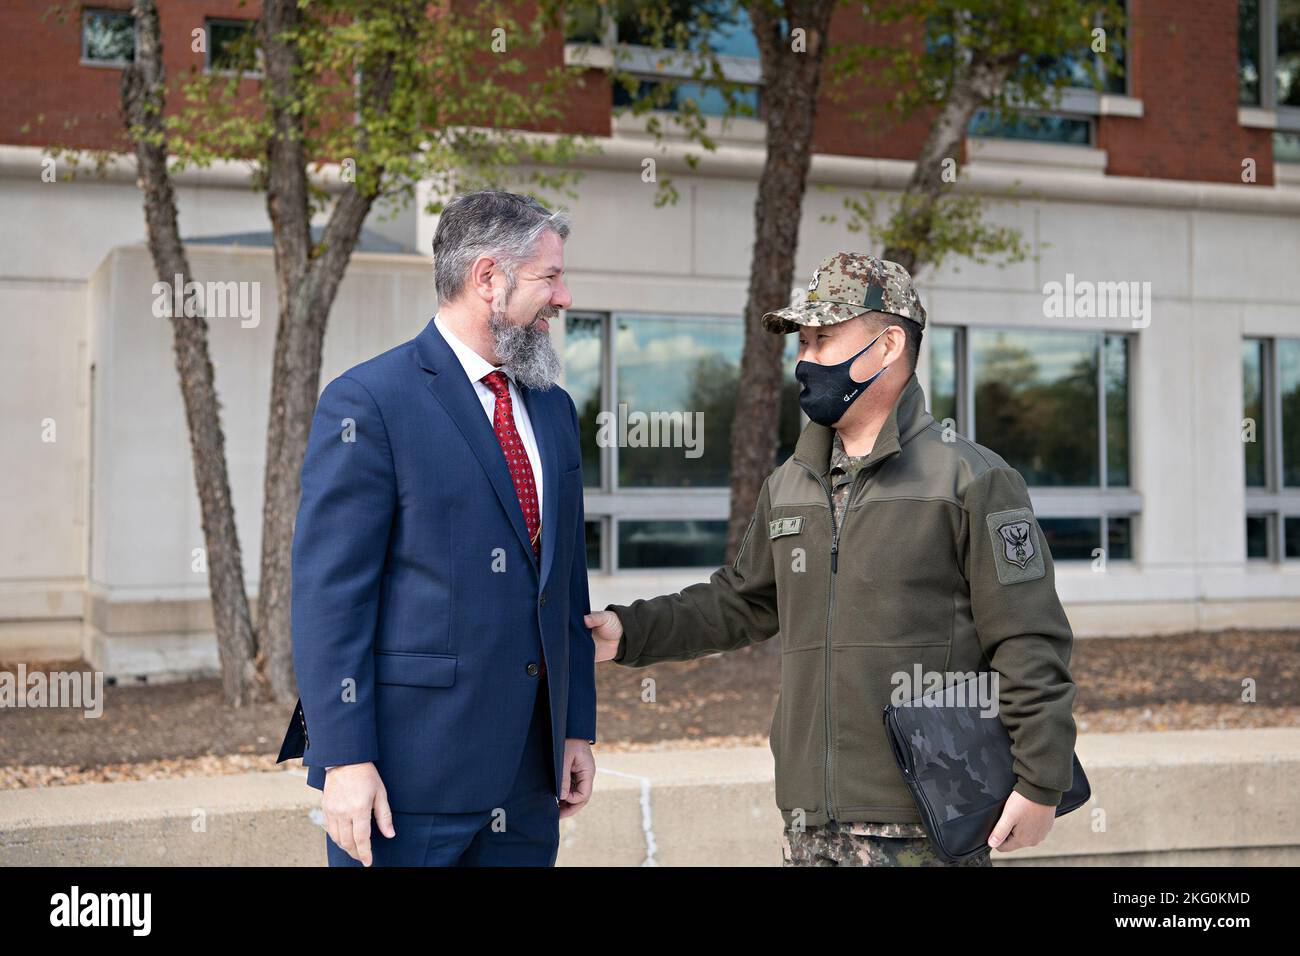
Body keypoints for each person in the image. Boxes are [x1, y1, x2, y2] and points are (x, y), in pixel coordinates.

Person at [585, 252, 1078, 867]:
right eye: (803, 343)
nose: (805, 361)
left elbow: (1029, 641)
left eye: (823, 340)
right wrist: (626, 631)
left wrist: (1040, 783)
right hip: (808, 820)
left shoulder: (972, 480)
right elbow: (742, 600)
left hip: (924, 818)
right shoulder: (790, 482)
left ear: (888, 345)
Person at [277, 190, 596, 866]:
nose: (564, 297)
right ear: (488, 279)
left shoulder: (555, 411)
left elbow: (565, 584)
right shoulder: (369, 402)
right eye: (550, 277)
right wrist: (343, 759)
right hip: (404, 782)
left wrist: (576, 730)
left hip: (529, 782)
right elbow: (330, 598)